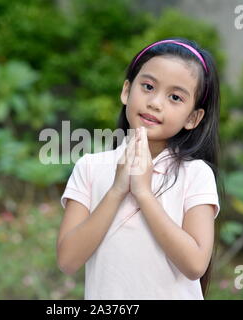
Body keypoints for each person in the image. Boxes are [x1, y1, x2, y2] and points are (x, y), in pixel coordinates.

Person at [57, 38, 223, 300]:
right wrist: (116, 190)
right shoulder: (90, 167)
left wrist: (144, 193)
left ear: (193, 118)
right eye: (148, 87)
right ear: (126, 91)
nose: (155, 102)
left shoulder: (196, 174)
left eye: (175, 97)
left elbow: (195, 265)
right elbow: (67, 260)